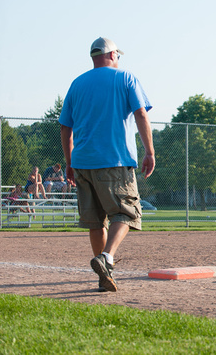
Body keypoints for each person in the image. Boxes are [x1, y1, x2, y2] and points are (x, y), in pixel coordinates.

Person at [60, 37, 155, 292]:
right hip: (114, 160)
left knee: (95, 221)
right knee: (126, 212)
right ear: (112, 55)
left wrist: (69, 163)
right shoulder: (125, 78)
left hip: (81, 163)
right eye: (118, 56)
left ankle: (104, 275)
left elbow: (65, 127)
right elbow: (141, 113)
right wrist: (149, 152)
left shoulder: (77, 84)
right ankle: (107, 257)